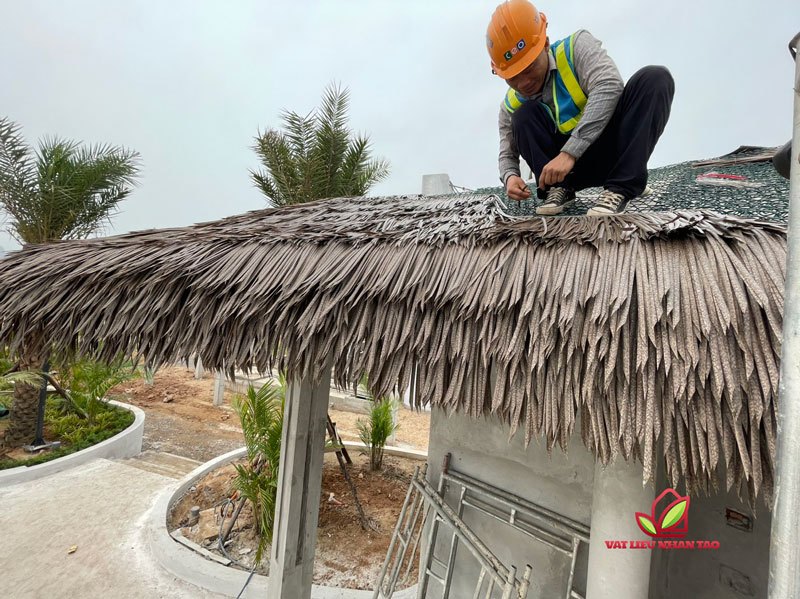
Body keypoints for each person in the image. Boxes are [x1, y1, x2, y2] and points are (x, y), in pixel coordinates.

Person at [488, 0, 675, 216]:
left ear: (545, 44)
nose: (523, 83)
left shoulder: (576, 47)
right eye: (512, 77)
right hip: (567, 174)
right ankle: (559, 190)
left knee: (655, 78)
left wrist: (569, 153)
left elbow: (609, 85)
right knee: (522, 116)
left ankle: (620, 188)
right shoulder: (510, 105)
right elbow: (506, 153)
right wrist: (510, 177)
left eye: (529, 68)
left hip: (614, 154)